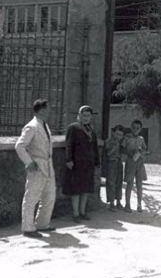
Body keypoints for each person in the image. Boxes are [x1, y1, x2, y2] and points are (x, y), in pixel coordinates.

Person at [15, 99, 56, 238]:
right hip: (37, 166)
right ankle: (28, 228)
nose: (50, 111)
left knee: (49, 196)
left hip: (48, 166)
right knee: (31, 197)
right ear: (42, 110)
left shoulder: (44, 125)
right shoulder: (31, 126)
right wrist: (29, 162)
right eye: (48, 108)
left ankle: (42, 224)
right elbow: (19, 146)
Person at [64, 105, 100, 222]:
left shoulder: (91, 130)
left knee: (85, 189)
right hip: (77, 163)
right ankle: (75, 214)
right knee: (76, 190)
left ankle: (83, 212)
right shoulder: (73, 128)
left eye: (88, 116)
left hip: (88, 164)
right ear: (79, 116)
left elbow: (95, 147)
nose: (86, 118)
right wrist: (69, 159)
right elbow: (69, 145)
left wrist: (97, 161)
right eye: (83, 115)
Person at [123, 120, 148, 213]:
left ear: (140, 129)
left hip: (140, 163)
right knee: (129, 184)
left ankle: (139, 204)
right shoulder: (127, 138)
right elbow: (122, 149)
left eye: (138, 128)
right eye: (134, 127)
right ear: (131, 128)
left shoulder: (141, 139)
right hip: (130, 162)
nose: (135, 130)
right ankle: (127, 204)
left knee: (139, 184)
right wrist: (130, 152)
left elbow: (145, 150)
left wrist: (142, 152)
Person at [105, 124, 125, 211]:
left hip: (119, 163)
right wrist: (116, 145)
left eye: (121, 135)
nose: (118, 136)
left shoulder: (121, 142)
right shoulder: (109, 141)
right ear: (113, 133)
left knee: (119, 182)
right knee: (111, 183)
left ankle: (118, 202)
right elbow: (108, 153)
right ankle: (111, 203)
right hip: (111, 163)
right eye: (117, 134)